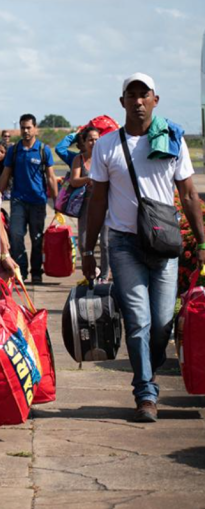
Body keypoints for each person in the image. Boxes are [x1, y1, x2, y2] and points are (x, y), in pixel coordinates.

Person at [83, 72, 205, 422]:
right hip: (123, 244)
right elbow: (98, 201)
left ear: (155, 100)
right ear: (122, 102)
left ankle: (149, 367)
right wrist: (89, 250)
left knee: (162, 324)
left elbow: (189, 194)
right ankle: (146, 392)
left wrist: (202, 242)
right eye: (131, 95)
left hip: (164, 244)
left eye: (144, 94)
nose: (137, 101)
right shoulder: (107, 145)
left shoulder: (172, 140)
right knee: (138, 321)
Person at [0, 114, 58, 284]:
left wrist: (57, 201)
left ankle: (36, 272)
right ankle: (21, 271)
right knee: (16, 236)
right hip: (18, 201)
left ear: (35, 129)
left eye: (29, 127)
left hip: (38, 202)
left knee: (37, 238)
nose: (25, 131)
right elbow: (5, 174)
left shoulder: (43, 150)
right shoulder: (13, 150)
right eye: (23, 127)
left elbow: (51, 177)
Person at [68, 126, 109, 280]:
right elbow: (74, 180)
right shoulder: (79, 159)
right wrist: (90, 179)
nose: (93, 142)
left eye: (96, 139)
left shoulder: (106, 158)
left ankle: (104, 276)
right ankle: (91, 272)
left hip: (105, 204)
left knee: (105, 243)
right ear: (84, 142)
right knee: (84, 244)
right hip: (85, 205)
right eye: (90, 139)